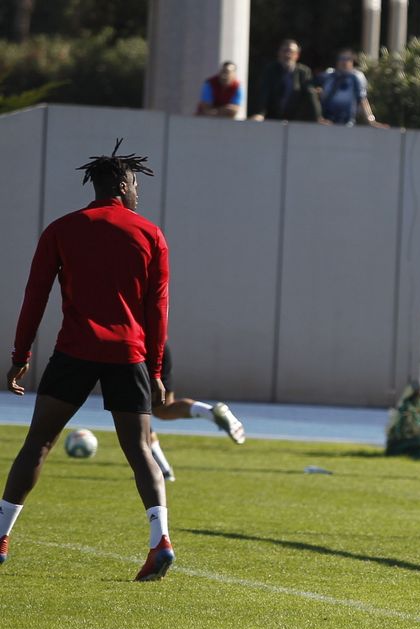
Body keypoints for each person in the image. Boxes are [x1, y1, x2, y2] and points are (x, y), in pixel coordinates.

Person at [3, 142, 175, 580]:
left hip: (75, 352)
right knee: (140, 451)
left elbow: (34, 296)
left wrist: (20, 355)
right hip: (128, 355)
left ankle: (1, 536)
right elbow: (157, 310)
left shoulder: (61, 229)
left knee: (39, 443)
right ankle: (160, 541)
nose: (137, 192)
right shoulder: (150, 234)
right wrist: (156, 371)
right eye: (135, 184)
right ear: (123, 185)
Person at [144, 345, 247, 482]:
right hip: (159, 349)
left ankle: (163, 469)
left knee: (133, 414)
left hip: (133, 354)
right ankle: (209, 412)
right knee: (163, 409)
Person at [248, 39, 323, 123]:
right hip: (273, 119)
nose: (287, 55)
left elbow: (311, 94)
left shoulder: (304, 72)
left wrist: (318, 117)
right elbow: (264, 93)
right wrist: (260, 113)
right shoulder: (270, 70)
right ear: (279, 53)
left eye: (291, 52)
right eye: (284, 51)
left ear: (297, 55)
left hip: (296, 120)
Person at [318, 50, 386, 128]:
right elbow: (320, 97)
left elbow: (362, 100)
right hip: (328, 122)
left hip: (348, 123)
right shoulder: (328, 77)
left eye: (348, 59)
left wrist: (371, 121)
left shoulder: (356, 78)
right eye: (342, 58)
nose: (344, 62)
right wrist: (319, 117)